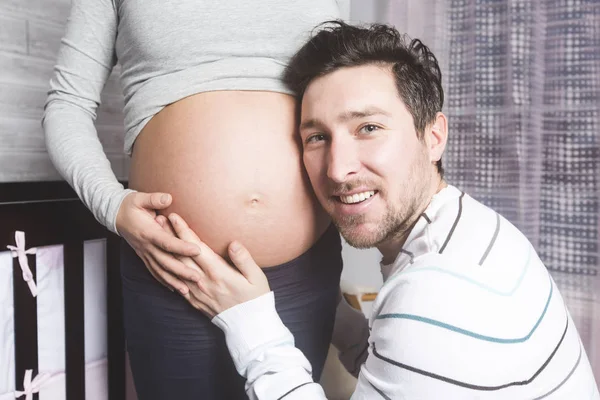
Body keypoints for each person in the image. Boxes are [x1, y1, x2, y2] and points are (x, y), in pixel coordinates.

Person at [162, 21, 600, 399]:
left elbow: (425, 330)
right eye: (316, 137)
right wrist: (331, 309)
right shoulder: (473, 230)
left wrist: (250, 322)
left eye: (368, 128)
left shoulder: (441, 295)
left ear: (433, 136)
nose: (337, 169)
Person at [42, 2, 349, 399]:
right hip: (173, 268)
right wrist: (113, 206)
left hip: (301, 269)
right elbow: (67, 104)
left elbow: (348, 85)